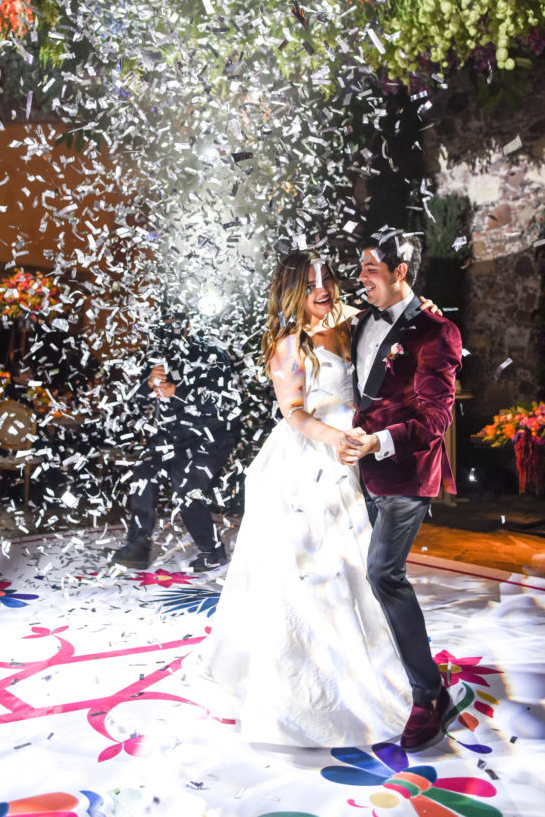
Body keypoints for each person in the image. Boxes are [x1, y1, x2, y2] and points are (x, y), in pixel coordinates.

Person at [184, 250, 413, 747]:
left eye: (326, 278)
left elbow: (397, 313)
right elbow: (293, 413)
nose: (322, 289)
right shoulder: (290, 344)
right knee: (314, 573)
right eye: (309, 283)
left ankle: (370, 672)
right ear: (291, 289)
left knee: (359, 568)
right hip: (307, 463)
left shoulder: (348, 325)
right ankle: (309, 691)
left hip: (352, 459)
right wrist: (335, 439)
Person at [338, 226, 462, 751]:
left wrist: (377, 443)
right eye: (360, 268)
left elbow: (435, 421)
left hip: (407, 472)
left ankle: (429, 694)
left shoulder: (437, 333)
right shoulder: (362, 320)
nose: (361, 278)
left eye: (370, 269)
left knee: (383, 572)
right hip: (355, 473)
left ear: (400, 272)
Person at [111, 313, 241, 573]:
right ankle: (137, 546)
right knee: (144, 473)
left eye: (176, 326)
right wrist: (149, 384)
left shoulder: (212, 354)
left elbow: (219, 400)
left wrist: (175, 392)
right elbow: (140, 398)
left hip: (209, 436)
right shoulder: (159, 356)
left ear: (189, 325)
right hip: (170, 436)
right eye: (165, 326)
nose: (170, 331)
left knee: (187, 487)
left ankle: (212, 552)